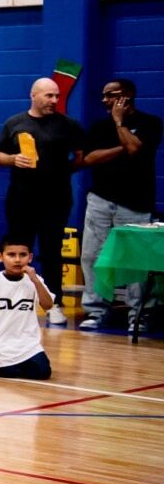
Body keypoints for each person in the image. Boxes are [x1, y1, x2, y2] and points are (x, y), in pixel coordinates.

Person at [0, 78, 84, 313]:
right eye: (49, 96)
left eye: (56, 96)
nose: (54, 101)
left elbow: (82, 156)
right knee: (18, 249)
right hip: (21, 198)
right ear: (34, 95)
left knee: (52, 250)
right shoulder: (14, 123)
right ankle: (15, 297)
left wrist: (62, 170)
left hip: (56, 199)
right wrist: (13, 159)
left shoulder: (68, 125)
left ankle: (54, 302)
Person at [79, 78, 161, 330]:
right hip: (101, 199)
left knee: (138, 260)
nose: (104, 100)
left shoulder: (151, 123)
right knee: (92, 255)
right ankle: (95, 310)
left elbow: (136, 149)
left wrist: (119, 122)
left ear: (126, 96)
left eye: (110, 95)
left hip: (135, 202)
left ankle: (138, 315)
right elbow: (91, 158)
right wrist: (122, 146)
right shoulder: (98, 126)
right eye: (103, 95)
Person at [0, 236, 54, 380]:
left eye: (22, 255)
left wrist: (35, 280)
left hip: (28, 346)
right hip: (0, 345)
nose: (17, 260)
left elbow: (48, 305)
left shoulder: (35, 281)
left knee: (43, 372)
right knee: (7, 371)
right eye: (11, 255)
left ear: (30, 258)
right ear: (0, 257)